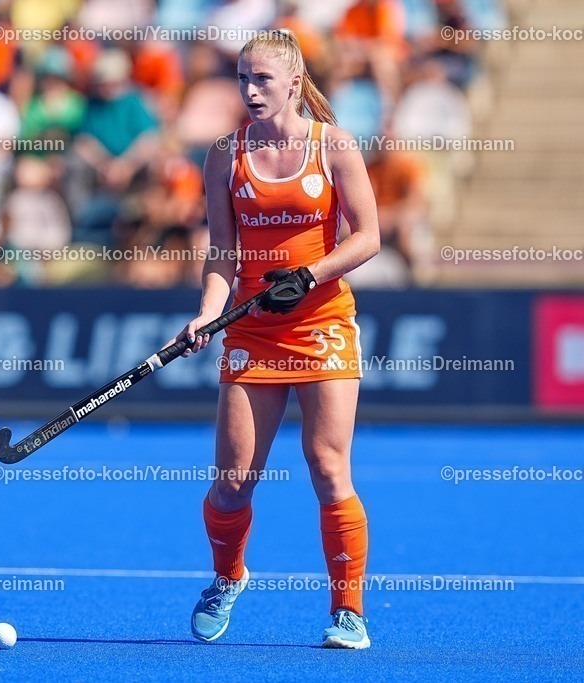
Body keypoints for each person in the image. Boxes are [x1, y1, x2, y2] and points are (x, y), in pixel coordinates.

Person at [178, 29, 380, 649]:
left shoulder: (335, 146)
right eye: (242, 78)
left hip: (321, 324)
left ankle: (348, 612)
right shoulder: (224, 154)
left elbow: (368, 236)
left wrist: (309, 275)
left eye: (263, 79)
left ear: (294, 82)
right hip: (252, 329)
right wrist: (208, 311)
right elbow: (222, 253)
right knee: (234, 479)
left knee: (327, 466)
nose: (250, 90)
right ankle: (228, 576)